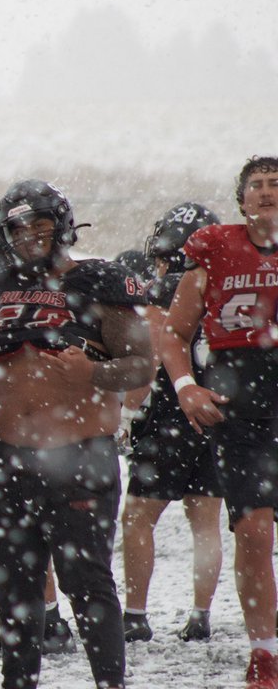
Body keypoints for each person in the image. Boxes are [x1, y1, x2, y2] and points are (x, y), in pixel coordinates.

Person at [0, 179, 151, 689]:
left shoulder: (101, 281)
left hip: (79, 456)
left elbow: (143, 366)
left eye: (39, 222)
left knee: (89, 586)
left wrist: (93, 375)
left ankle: (111, 683)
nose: (30, 235)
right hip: (7, 459)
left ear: (61, 224)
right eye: (18, 226)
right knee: (13, 592)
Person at [160, 156, 278, 688]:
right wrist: (186, 385)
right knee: (252, 530)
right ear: (241, 198)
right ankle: (264, 651)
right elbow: (173, 332)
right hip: (240, 399)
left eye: (276, 184)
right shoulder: (214, 246)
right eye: (256, 185)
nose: (267, 192)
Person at [120, 201, 223, 643]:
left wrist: (126, 414)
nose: (158, 263)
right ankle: (201, 613)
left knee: (138, 518)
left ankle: (136, 615)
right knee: (206, 522)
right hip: (217, 415)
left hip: (170, 417)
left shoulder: (165, 295)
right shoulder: (223, 286)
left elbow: (153, 360)